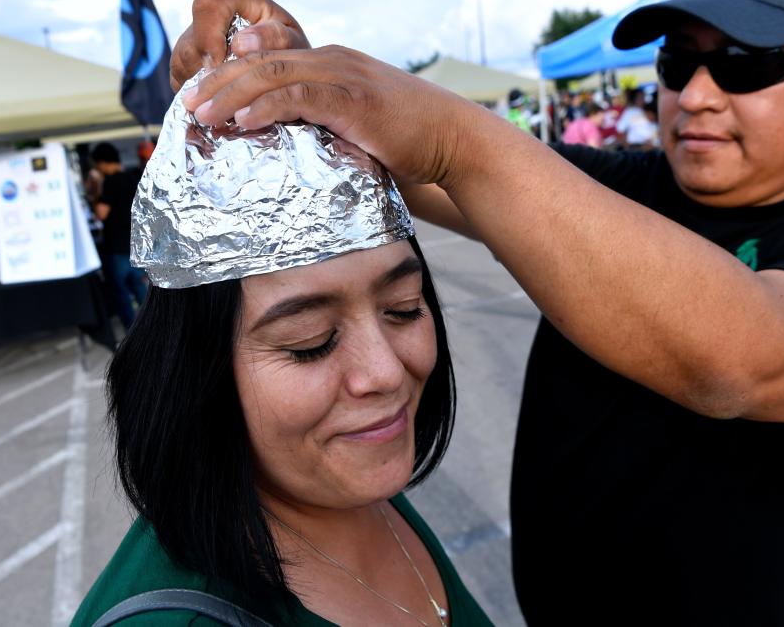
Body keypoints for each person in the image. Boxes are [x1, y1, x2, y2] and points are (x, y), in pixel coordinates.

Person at [174, 0, 784, 626]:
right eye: (677, 62)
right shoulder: (617, 186)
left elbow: (745, 359)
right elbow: (404, 164)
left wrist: (458, 137)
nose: (697, 95)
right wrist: (290, 78)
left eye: (746, 64)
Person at [72, 79, 493, 627]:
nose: (386, 372)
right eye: (310, 343)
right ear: (197, 371)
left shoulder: (343, 485)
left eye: (403, 309)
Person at [90, 142, 147, 329]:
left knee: (121, 292)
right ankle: (153, 325)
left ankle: (132, 331)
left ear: (102, 162)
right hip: (136, 245)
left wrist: (96, 190)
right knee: (140, 289)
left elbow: (101, 213)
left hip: (116, 247)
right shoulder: (133, 177)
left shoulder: (109, 182)